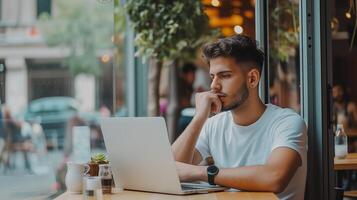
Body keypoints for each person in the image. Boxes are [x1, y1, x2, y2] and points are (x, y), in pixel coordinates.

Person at [172, 35, 307, 200]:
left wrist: (202, 172)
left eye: (225, 75)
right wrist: (199, 118)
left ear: (252, 78)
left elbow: (274, 177)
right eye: (213, 76)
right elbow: (170, 171)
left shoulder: (287, 122)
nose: (214, 85)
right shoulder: (213, 125)